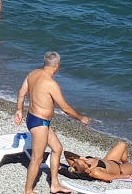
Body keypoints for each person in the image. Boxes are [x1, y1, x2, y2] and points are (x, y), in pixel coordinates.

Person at [14, 51, 91, 194]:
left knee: (57, 148)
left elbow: (21, 92)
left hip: (33, 119)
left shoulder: (33, 73)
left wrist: (19, 110)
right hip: (40, 122)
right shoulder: (51, 83)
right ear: (57, 66)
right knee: (37, 158)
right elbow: (65, 108)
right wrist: (81, 118)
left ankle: (54, 185)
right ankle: (28, 190)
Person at [63, 142, 132, 182]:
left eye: (82, 160)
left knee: (122, 145)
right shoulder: (95, 172)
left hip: (109, 160)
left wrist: (81, 157)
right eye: (86, 163)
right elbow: (111, 177)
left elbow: (66, 153)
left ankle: (126, 163)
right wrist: (124, 176)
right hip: (119, 170)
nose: (86, 161)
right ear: (88, 170)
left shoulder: (75, 165)